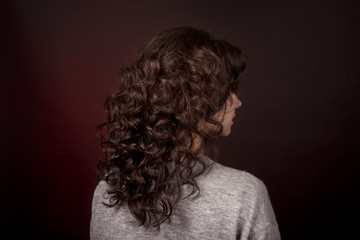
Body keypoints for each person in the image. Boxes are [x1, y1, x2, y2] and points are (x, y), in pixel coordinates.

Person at [90, 26, 281, 240]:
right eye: (228, 89)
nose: (237, 102)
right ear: (194, 98)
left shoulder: (108, 191)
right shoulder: (245, 194)